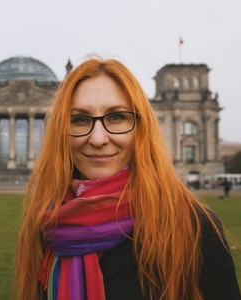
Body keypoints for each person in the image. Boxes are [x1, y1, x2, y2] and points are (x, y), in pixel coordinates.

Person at [13, 57, 240, 300]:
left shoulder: (193, 227)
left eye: (116, 117)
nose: (98, 139)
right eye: (80, 119)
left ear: (141, 127)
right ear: (61, 131)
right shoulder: (49, 222)